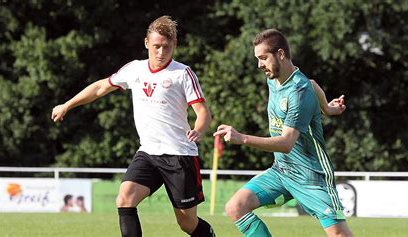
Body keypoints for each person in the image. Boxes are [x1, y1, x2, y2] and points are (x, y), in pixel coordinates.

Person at [51, 16, 215, 237]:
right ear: (146, 43)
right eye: (156, 46)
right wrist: (67, 105)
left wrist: (199, 129)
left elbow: (203, 112)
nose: (161, 52)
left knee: (186, 223)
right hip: (148, 152)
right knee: (125, 198)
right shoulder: (135, 69)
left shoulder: (182, 73)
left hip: (179, 155)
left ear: (174, 45)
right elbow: (101, 87)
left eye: (166, 47)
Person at [213, 29, 353, 237]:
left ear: (280, 54)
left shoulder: (299, 92)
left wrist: (242, 138)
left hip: (311, 177)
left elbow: (286, 142)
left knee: (339, 235)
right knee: (236, 206)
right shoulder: (275, 78)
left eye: (263, 58)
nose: (259, 65)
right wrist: (328, 109)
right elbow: (314, 84)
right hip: (282, 171)